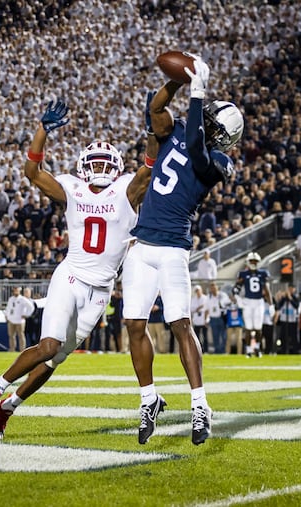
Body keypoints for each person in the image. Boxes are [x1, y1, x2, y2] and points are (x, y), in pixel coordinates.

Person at [0, 97, 152, 441]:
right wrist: (42, 131)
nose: (98, 168)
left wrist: (154, 128)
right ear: (84, 165)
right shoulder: (72, 187)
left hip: (100, 291)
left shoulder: (128, 189)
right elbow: (33, 172)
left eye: (104, 163)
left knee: (53, 361)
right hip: (70, 276)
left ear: (115, 167)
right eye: (93, 162)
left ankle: (8, 408)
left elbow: (151, 163)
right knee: (49, 345)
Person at [122, 56, 243, 445]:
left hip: (173, 247)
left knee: (179, 324)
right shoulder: (175, 130)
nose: (202, 118)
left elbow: (195, 146)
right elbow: (154, 109)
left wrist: (198, 92)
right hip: (142, 245)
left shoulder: (218, 162)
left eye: (209, 118)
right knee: (134, 324)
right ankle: (148, 399)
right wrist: (177, 81)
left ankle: (200, 403)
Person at [235, 252, 272, 358]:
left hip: (259, 301)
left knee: (258, 327)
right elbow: (236, 288)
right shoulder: (243, 274)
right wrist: (238, 299)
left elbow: (267, 290)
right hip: (247, 301)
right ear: (248, 262)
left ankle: (258, 348)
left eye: (255, 261)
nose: (253, 263)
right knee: (248, 327)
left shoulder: (263, 273)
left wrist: (271, 305)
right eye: (252, 261)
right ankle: (248, 349)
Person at [4, 286, 32, 353]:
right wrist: (7, 316)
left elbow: (30, 307)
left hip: (20, 321)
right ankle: (12, 349)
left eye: (17, 290)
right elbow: (8, 308)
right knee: (11, 335)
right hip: (11, 320)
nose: (15, 291)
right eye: (14, 290)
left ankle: (22, 350)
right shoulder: (11, 299)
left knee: (21, 335)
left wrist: (26, 314)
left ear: (19, 291)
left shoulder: (22, 299)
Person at [206, 282, 229, 354]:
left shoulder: (222, 295)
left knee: (224, 336)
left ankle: (223, 350)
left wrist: (220, 302)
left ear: (217, 287)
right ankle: (217, 351)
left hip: (221, 318)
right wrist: (206, 319)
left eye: (214, 287)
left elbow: (227, 303)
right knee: (215, 336)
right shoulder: (209, 297)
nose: (213, 288)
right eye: (211, 287)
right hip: (213, 318)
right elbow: (207, 309)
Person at [190, 284, 209, 353]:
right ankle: (199, 350)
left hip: (203, 319)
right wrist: (198, 308)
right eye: (196, 291)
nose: (197, 292)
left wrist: (206, 320)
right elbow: (191, 309)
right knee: (197, 337)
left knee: (205, 337)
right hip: (196, 320)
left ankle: (206, 350)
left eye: (198, 290)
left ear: (201, 291)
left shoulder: (205, 298)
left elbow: (207, 309)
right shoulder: (193, 299)